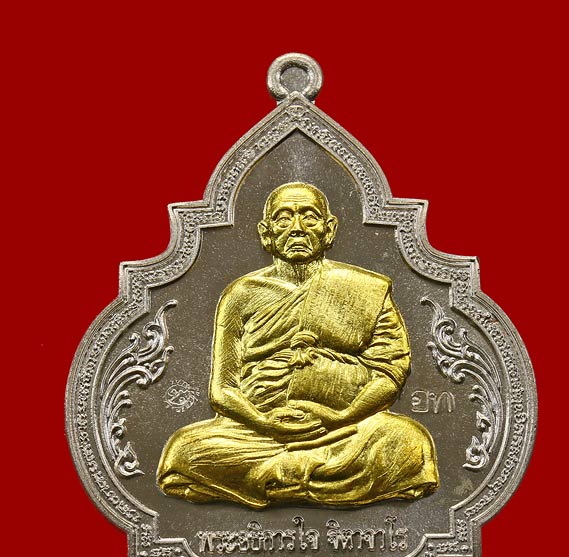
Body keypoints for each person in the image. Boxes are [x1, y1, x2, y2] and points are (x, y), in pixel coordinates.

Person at [157, 182, 439, 507]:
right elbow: (222, 391)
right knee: (184, 450)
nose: (297, 228)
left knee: (409, 441)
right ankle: (313, 475)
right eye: (283, 219)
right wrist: (263, 423)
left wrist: (342, 416)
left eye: (309, 217)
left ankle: (276, 478)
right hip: (255, 432)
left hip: (344, 428)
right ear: (266, 233)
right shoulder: (241, 294)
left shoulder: (366, 289)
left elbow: (389, 371)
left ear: (329, 229)